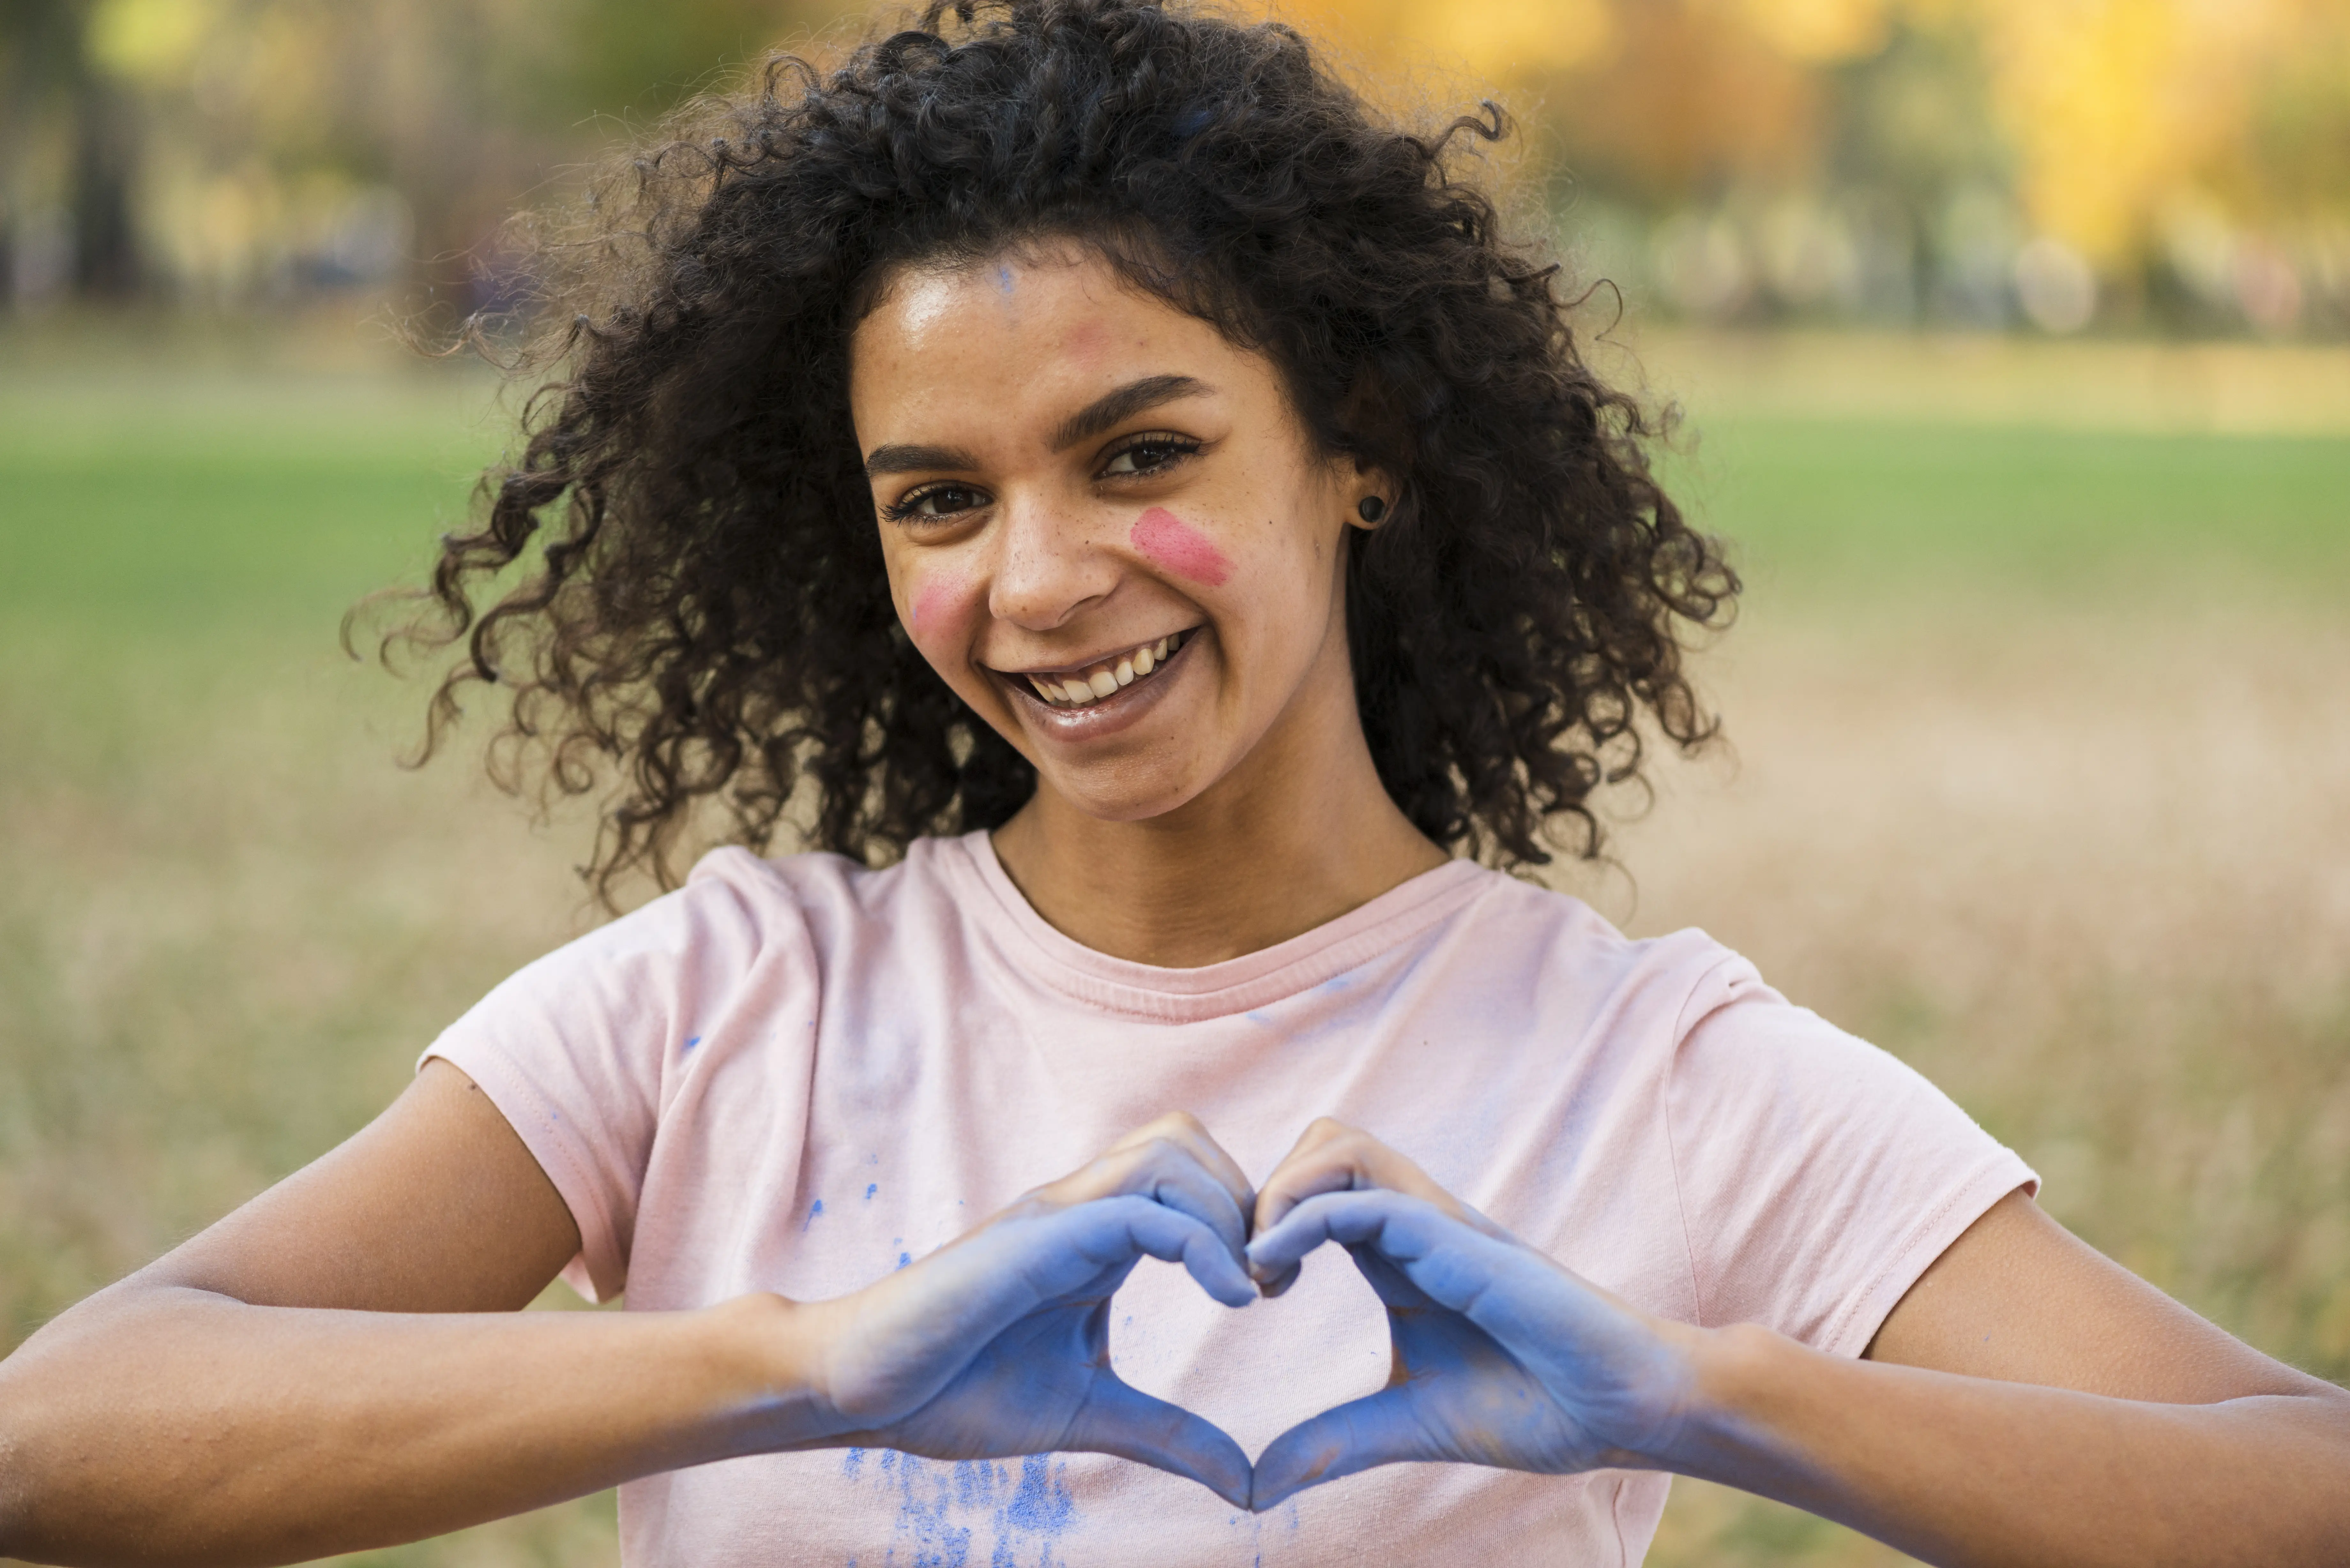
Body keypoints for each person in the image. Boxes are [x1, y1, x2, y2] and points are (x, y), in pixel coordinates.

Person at [3, 1, 2345, 1563]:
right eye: (938, 498)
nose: (1040, 580)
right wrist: (808, 1373)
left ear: (1362, 452)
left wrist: (1688, 1396)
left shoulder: (1658, 1068)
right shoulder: (738, 997)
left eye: (1141, 454)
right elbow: (63, 1436)